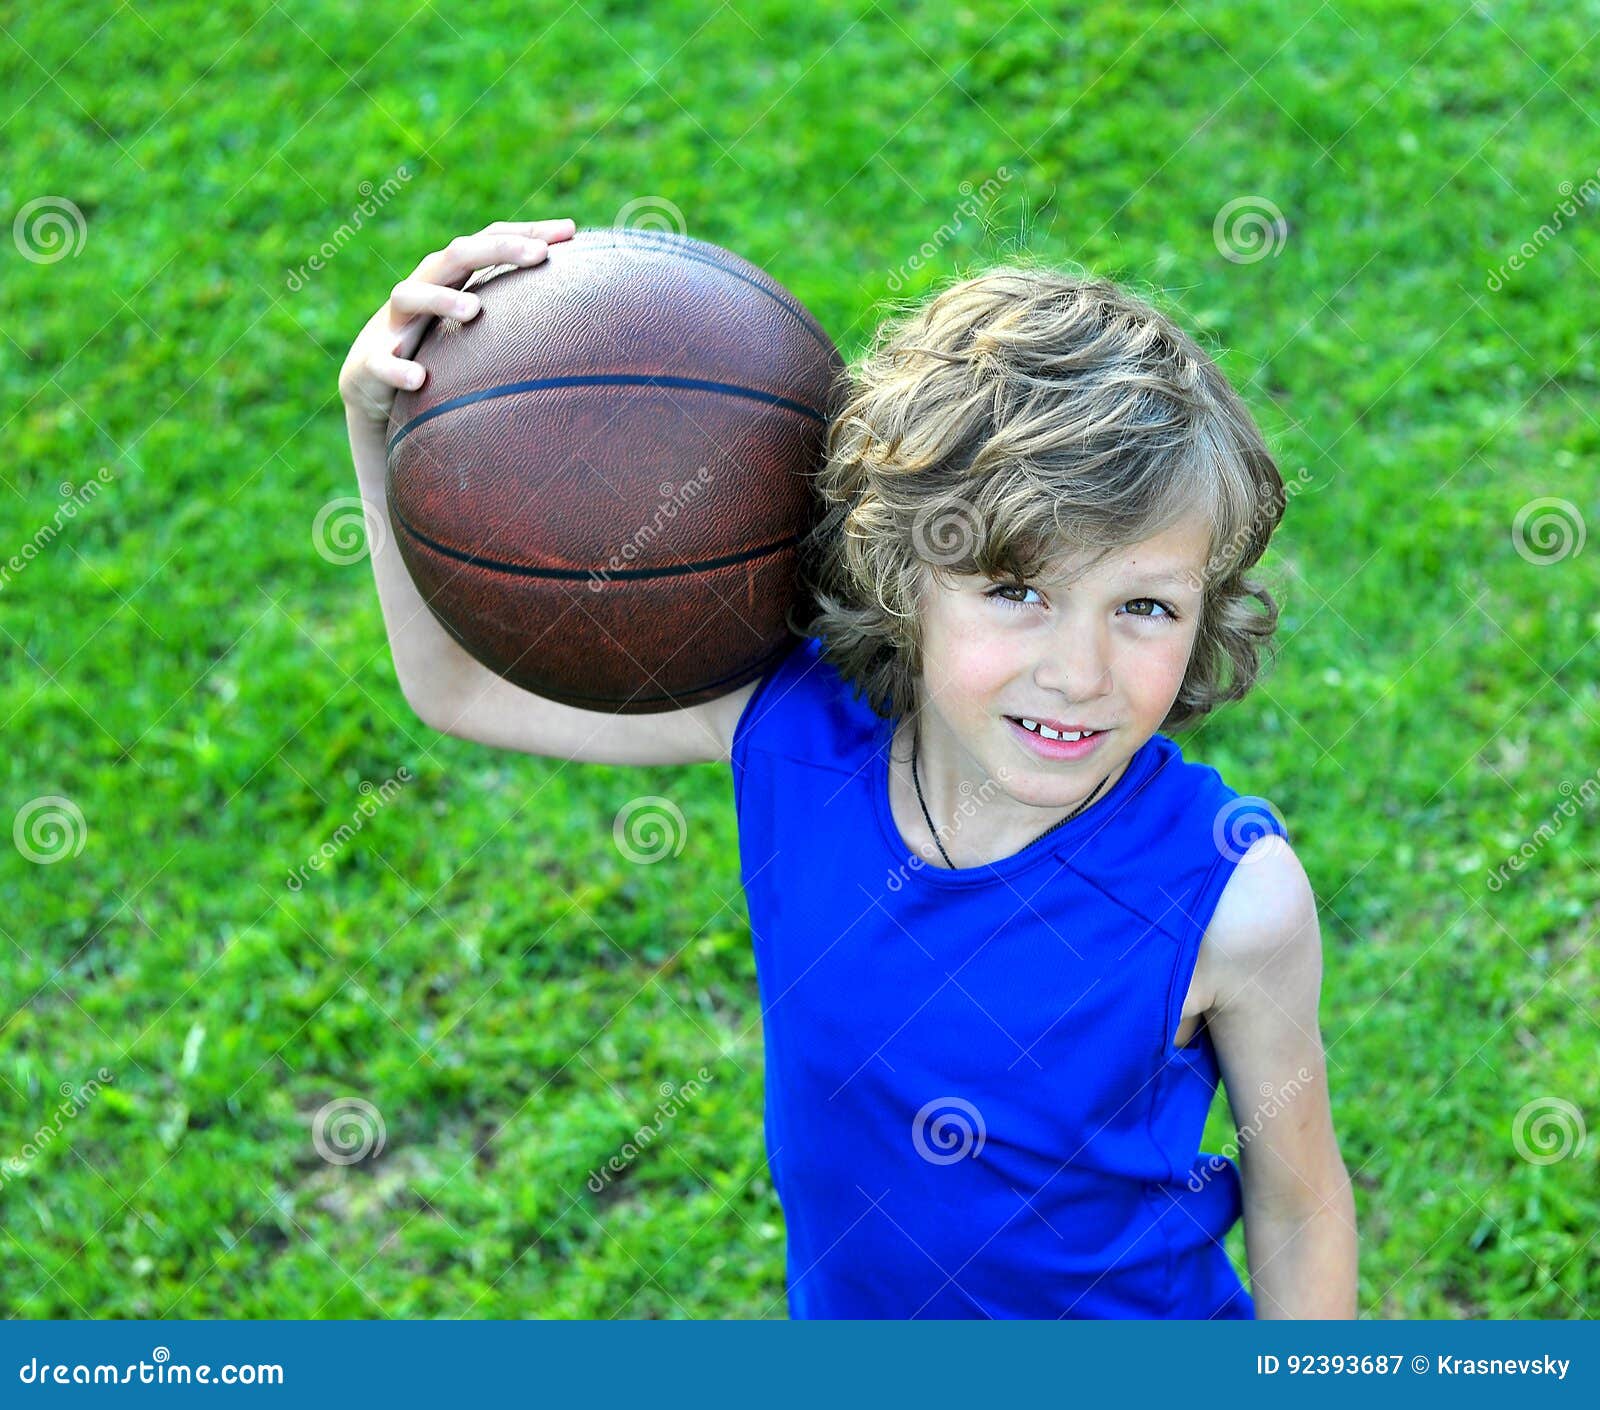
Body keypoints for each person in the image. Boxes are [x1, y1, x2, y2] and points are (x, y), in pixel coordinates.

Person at [339, 217, 1358, 1319]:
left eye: (1145, 606)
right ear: (904, 572)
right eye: (1016, 591)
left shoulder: (1228, 899)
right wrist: (379, 426)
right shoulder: (791, 736)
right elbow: (457, 690)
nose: (1078, 673)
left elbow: (1299, 1206)